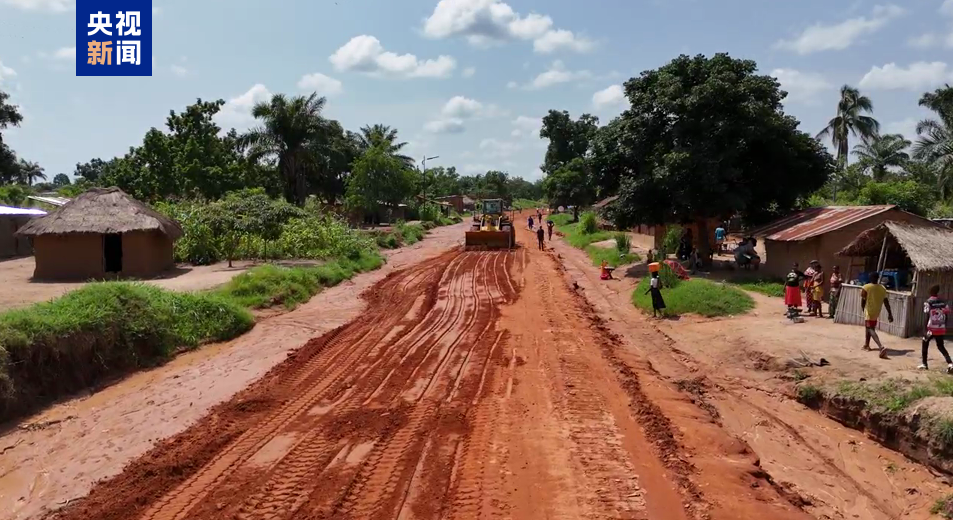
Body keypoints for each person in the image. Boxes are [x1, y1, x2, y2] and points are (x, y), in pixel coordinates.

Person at [920, 285, 953, 373]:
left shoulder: (928, 302)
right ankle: (950, 363)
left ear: (930, 292)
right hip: (940, 328)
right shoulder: (943, 302)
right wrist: (944, 325)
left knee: (925, 343)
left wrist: (924, 330)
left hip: (931, 329)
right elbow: (946, 314)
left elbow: (926, 316)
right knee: (941, 346)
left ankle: (924, 364)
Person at [861, 275, 894, 359]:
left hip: (869, 310)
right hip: (877, 311)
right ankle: (866, 345)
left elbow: (863, 300)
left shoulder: (866, 287)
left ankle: (881, 346)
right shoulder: (882, 288)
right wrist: (890, 313)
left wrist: (863, 309)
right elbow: (886, 302)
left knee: (869, 328)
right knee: (869, 327)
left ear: (870, 278)